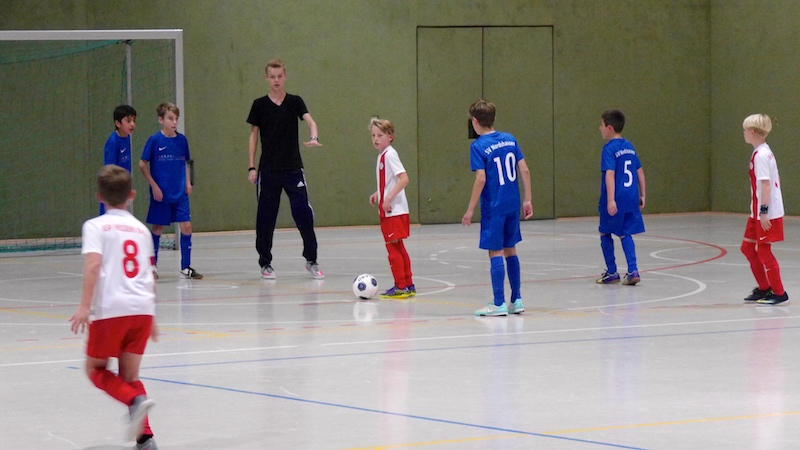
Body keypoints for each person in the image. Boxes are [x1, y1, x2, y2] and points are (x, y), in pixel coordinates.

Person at [69, 165, 159, 450]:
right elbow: (149, 274)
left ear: (100, 197)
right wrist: (153, 317)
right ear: (132, 195)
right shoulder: (142, 230)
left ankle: (134, 401)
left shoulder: (95, 226)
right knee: (130, 376)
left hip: (111, 310)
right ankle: (145, 439)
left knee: (95, 369)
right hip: (142, 309)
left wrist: (85, 307)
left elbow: (93, 264)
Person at [247, 59, 324, 280]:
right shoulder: (259, 105)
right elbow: (253, 136)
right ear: (267, 78)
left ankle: (311, 260)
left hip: (293, 169)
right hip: (268, 171)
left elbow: (311, 121)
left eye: (279, 76)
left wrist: (314, 137)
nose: (276, 80)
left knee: (303, 214)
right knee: (266, 218)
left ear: (285, 76)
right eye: (272, 77)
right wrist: (252, 166)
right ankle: (265, 263)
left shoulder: (295, 102)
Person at [462, 100, 533, 316]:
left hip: (494, 206)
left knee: (495, 251)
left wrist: (470, 209)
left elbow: (481, 179)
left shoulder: (478, 146)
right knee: (511, 249)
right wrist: (527, 199)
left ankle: (498, 302)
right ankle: (516, 299)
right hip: (512, 203)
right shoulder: (510, 139)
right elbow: (525, 170)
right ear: (494, 119)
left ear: (475, 121)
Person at [138, 102, 202, 279]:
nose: (174, 122)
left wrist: (188, 182)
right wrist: (154, 186)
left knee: (186, 226)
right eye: (170, 118)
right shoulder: (154, 140)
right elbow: (142, 164)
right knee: (158, 227)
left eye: (176, 119)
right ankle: (152, 267)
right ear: (161, 120)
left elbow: (186, 162)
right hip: (161, 194)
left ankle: (185, 267)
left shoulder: (182, 140)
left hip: (180, 192)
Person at [740, 114, 788, 305]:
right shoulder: (763, 152)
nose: (744, 133)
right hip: (757, 212)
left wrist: (765, 211)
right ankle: (764, 287)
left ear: (752, 132)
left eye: (745, 130)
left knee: (764, 251)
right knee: (747, 248)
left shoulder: (761, 155)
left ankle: (779, 292)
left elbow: (766, 185)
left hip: (765, 213)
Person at [596, 109, 646, 286]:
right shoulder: (629, 146)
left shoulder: (609, 149)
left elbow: (610, 174)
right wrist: (643, 194)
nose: (600, 128)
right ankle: (633, 270)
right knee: (625, 233)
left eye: (601, 125)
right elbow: (639, 171)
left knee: (604, 231)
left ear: (609, 127)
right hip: (631, 196)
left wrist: (610, 200)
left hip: (615, 197)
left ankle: (612, 272)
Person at [368, 119, 415, 298]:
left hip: (393, 211)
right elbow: (390, 181)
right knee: (398, 246)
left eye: (380, 135)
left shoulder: (389, 155)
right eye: (373, 135)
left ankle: (400, 286)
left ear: (390, 136)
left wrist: (388, 198)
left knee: (392, 248)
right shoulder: (383, 155)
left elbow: (404, 179)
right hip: (393, 210)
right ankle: (408, 284)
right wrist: (379, 193)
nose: (376, 139)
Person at [100, 105, 137, 215]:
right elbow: (109, 170)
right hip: (113, 190)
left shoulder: (127, 137)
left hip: (123, 187)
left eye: (134, 121)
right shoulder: (113, 142)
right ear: (118, 123)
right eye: (128, 121)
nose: (132, 124)